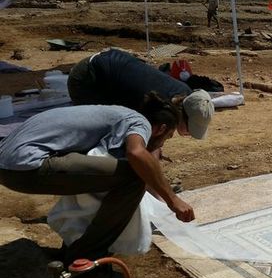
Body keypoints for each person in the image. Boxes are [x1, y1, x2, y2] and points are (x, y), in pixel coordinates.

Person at [0, 93, 195, 265]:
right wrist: (173, 200)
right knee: (134, 176)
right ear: (160, 129)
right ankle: (86, 260)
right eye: (167, 137)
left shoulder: (117, 115)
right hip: (25, 166)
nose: (162, 143)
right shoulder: (139, 122)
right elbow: (136, 153)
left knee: (103, 174)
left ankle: (74, 244)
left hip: (8, 164)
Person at [67, 49, 214, 140]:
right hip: (88, 77)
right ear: (183, 116)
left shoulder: (184, 93)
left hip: (111, 68)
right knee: (102, 133)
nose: (188, 134)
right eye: (189, 130)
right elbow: (141, 146)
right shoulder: (156, 106)